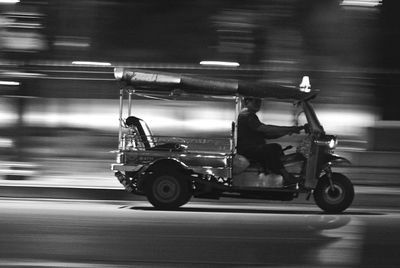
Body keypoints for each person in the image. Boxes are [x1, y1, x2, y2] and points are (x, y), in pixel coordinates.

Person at [237, 97, 302, 187]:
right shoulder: (247, 116)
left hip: (251, 148)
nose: (258, 104)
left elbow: (267, 135)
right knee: (273, 148)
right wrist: (289, 128)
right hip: (248, 149)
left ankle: (278, 174)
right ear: (247, 102)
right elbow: (264, 128)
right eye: (256, 101)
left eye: (259, 101)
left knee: (276, 148)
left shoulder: (249, 116)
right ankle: (285, 176)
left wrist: (287, 131)